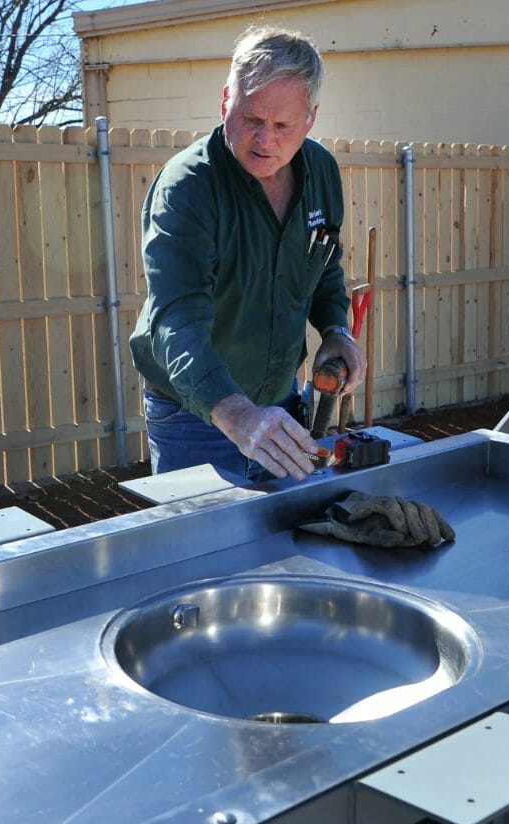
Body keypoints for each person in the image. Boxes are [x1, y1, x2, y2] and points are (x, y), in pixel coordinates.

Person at [130, 25, 366, 482]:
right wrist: (236, 413)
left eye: (282, 126)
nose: (265, 140)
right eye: (252, 120)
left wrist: (336, 328)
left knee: (286, 543)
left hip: (279, 406)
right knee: (197, 548)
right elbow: (176, 318)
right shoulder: (187, 188)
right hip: (193, 414)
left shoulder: (320, 171)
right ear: (225, 103)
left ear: (310, 119)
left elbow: (323, 267)